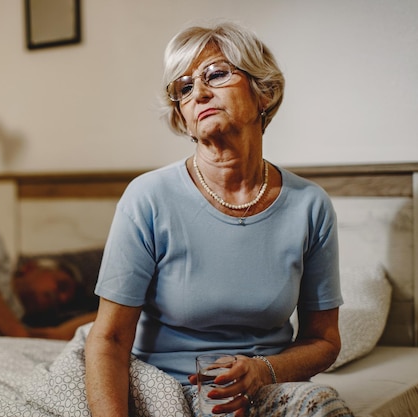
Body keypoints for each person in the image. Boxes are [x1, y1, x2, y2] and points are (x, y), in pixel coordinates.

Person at [85, 21, 349, 417]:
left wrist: (263, 371)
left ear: (263, 91)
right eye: (185, 88)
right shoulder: (148, 197)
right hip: (160, 383)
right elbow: (108, 338)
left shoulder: (309, 205)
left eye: (216, 74)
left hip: (264, 384)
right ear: (183, 118)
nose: (200, 93)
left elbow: (324, 340)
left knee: (322, 408)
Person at [0, 227, 97, 340]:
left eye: (64, 304)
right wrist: (17, 332)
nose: (62, 298)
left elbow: (60, 335)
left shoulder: (20, 325)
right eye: (62, 285)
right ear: (30, 268)